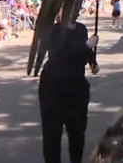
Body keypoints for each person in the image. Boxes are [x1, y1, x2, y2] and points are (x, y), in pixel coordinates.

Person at [38, 9, 99, 163]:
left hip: (76, 88)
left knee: (77, 133)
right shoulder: (52, 31)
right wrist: (86, 46)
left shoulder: (81, 29)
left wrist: (93, 61)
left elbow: (85, 53)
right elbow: (61, 56)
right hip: (53, 88)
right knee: (52, 134)